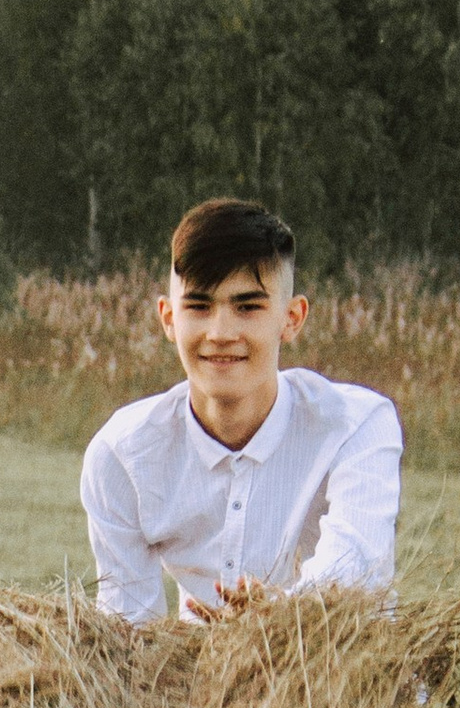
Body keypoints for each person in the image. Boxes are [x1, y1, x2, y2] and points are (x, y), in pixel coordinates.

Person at [82, 197, 400, 624]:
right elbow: (129, 628)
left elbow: (355, 570)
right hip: (201, 681)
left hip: (344, 673)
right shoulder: (122, 454)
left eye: (248, 307)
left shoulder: (357, 425)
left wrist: (266, 624)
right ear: (168, 318)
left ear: (292, 318)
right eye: (199, 306)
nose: (221, 333)